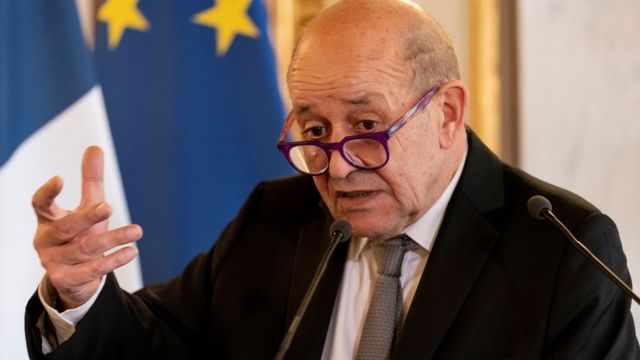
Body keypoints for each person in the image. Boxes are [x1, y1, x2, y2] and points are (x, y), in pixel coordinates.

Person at [25, 0, 639, 358]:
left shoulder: (563, 250)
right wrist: (79, 295)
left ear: (447, 113)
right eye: (314, 132)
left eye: (367, 124)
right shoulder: (276, 217)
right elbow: (155, 347)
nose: (339, 167)